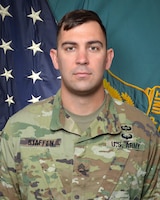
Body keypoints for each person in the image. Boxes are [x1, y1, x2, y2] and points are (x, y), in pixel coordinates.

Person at [0, 9, 160, 200]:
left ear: (108, 58)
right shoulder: (18, 130)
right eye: (70, 48)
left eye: (93, 48)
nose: (82, 59)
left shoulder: (144, 133)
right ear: (55, 58)